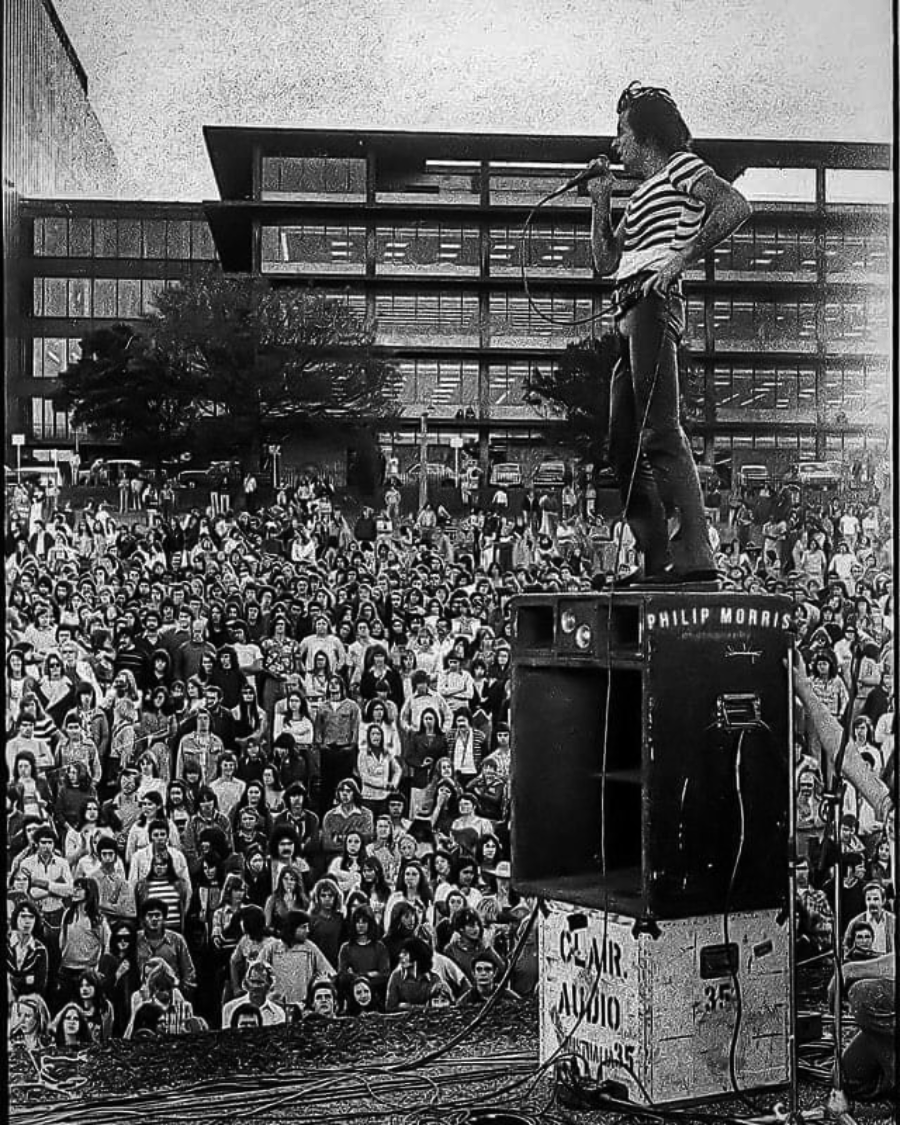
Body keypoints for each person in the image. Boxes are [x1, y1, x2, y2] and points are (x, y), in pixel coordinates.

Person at [587, 82, 751, 585]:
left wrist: (679, 260)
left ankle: (695, 556)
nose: (616, 145)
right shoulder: (641, 193)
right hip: (628, 308)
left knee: (659, 430)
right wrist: (600, 201)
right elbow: (605, 262)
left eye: (622, 133)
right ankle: (655, 556)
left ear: (645, 135)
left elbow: (735, 206)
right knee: (622, 443)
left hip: (655, 303)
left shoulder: (682, 166)